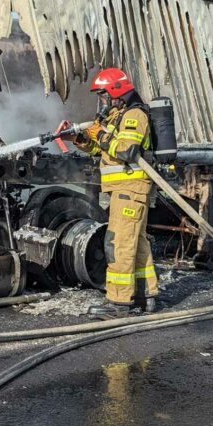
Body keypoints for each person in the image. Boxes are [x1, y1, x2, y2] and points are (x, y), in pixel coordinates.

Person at [72, 68, 159, 317]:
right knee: (136, 243)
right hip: (125, 191)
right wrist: (80, 139)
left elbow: (126, 151)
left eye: (103, 95)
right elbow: (102, 150)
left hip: (130, 190)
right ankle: (145, 296)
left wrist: (99, 133)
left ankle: (119, 302)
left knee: (117, 244)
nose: (101, 100)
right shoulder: (115, 116)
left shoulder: (134, 115)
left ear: (116, 92)